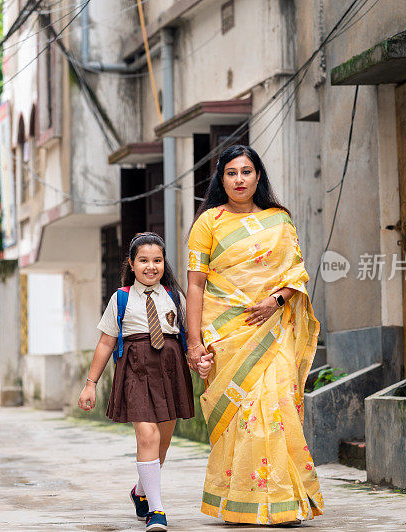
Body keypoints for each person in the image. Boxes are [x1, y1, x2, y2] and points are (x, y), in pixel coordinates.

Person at [186, 145, 323, 526]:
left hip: (273, 330)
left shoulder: (280, 221)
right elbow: (195, 286)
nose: (240, 179)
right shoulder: (208, 223)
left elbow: (296, 275)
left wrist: (274, 301)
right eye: (231, 173)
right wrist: (194, 343)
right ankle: (238, 503)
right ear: (221, 179)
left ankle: (285, 502)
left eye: (246, 172)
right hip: (227, 335)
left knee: (278, 408)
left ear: (258, 176)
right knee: (241, 414)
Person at [78, 232, 195, 532]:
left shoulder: (174, 296)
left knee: (162, 444)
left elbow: (192, 337)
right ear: (132, 264)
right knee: (148, 438)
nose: (151, 266)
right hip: (135, 370)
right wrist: (90, 383)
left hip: (169, 371)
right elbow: (105, 343)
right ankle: (156, 511)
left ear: (163, 263)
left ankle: (140, 491)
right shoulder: (121, 298)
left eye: (157, 260)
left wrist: (201, 359)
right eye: (143, 260)